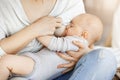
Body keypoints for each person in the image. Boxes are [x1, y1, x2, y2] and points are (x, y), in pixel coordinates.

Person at [0, 0, 117, 80]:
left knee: (105, 59)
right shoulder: (5, 5)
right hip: (26, 69)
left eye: (71, 25)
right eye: (70, 24)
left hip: (64, 72)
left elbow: (88, 39)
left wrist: (84, 53)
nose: (68, 26)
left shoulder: (71, 2)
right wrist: (34, 30)